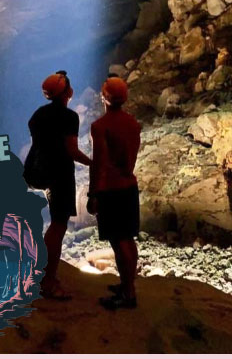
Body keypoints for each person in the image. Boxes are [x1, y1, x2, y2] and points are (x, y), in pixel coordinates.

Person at [28, 70, 92, 300]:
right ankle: (48, 281)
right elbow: (71, 150)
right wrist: (92, 162)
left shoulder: (38, 115)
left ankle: (41, 274)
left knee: (54, 225)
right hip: (60, 174)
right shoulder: (69, 117)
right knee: (57, 226)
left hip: (41, 173)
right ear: (67, 92)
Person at [88, 76, 142, 310]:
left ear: (104, 98)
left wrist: (93, 195)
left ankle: (128, 294)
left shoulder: (100, 127)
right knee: (127, 240)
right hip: (129, 186)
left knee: (119, 244)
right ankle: (127, 284)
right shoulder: (133, 123)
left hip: (111, 190)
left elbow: (98, 163)